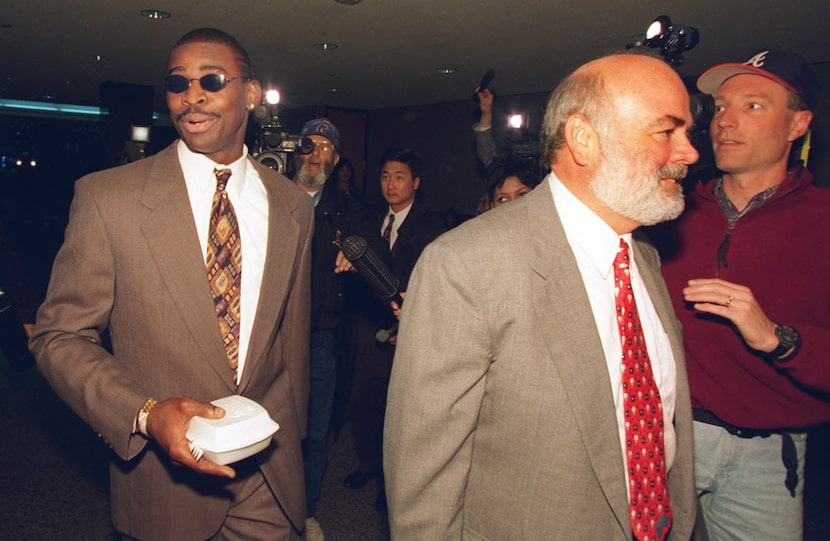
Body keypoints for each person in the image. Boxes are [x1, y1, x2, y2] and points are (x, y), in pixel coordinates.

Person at [383, 52, 700, 540]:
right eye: (666, 132)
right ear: (583, 139)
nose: (689, 152)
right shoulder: (467, 263)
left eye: (687, 133)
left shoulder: (646, 258)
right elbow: (423, 473)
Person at [28, 28, 314, 540]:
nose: (192, 95)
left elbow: (291, 340)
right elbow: (59, 337)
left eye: (211, 79)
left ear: (251, 94)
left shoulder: (292, 203)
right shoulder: (107, 198)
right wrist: (144, 413)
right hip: (164, 483)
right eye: (177, 82)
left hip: (268, 478)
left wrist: (295, 442)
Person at [656, 48, 830, 540]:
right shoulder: (668, 209)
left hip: (767, 456)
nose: (725, 121)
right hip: (669, 437)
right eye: (720, 106)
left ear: (798, 124)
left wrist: (779, 338)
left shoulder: (824, 220)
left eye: (753, 105)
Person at [291, 117, 388, 540]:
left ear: (335, 157)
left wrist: (359, 253)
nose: (316, 155)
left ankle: (306, 509)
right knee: (267, 422)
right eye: (309, 146)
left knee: (314, 428)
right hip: (271, 334)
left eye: (326, 148)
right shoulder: (269, 194)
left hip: (322, 335)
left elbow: (377, 247)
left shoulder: (346, 207)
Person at [344, 146, 446, 512]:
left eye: (399, 176)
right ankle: (367, 465)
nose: (391, 184)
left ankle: (393, 484)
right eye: (385, 176)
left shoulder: (432, 227)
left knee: (400, 411)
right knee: (364, 402)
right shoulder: (369, 221)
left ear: (416, 183)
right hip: (370, 325)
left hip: (410, 329)